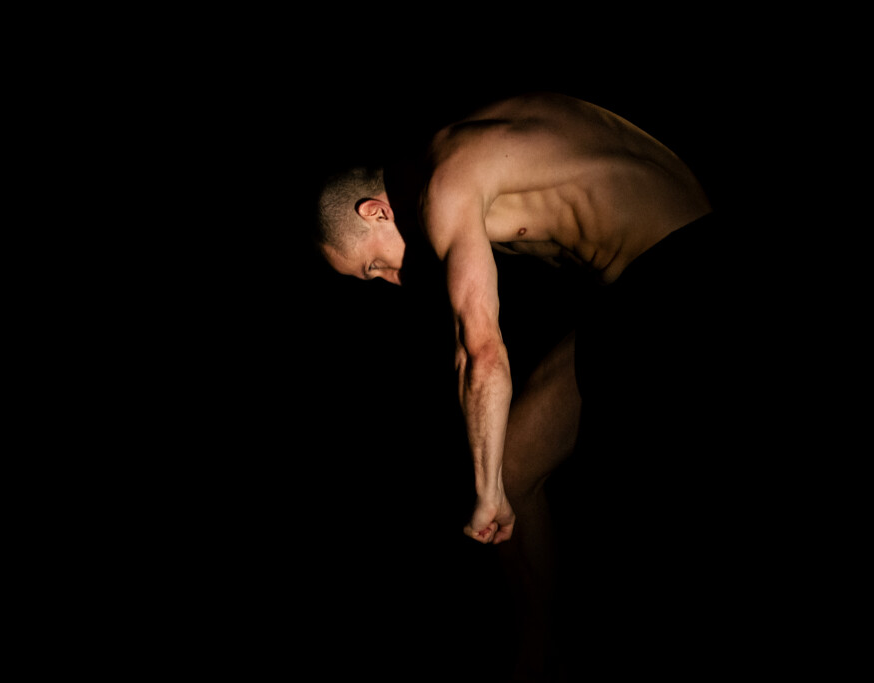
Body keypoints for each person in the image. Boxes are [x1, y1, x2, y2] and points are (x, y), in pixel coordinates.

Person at [313, 92, 773, 677]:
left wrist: (485, 493)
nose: (392, 280)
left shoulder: (447, 185)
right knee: (516, 464)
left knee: (522, 478)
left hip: (685, 269)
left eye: (373, 266)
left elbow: (480, 351)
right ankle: (539, 650)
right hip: (647, 281)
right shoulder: (457, 152)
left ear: (375, 212)